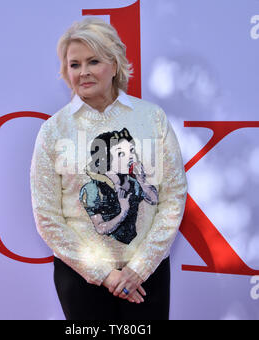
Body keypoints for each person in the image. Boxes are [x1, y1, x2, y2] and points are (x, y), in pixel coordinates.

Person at [30, 17, 187, 320]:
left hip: (147, 275)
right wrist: (105, 274)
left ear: (114, 65)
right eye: (74, 65)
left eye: (93, 61)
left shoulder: (151, 118)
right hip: (80, 278)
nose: (84, 72)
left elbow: (173, 196)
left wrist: (139, 268)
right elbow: (47, 218)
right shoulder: (53, 131)